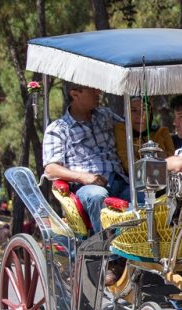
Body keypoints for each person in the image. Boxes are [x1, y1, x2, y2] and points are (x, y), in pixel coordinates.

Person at [42, 82, 130, 285]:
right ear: (75, 94)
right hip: (86, 188)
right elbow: (51, 169)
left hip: (119, 180)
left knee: (147, 198)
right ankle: (112, 262)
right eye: (93, 89)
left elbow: (130, 127)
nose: (99, 91)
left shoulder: (105, 116)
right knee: (98, 196)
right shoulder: (58, 129)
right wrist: (83, 177)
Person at [113, 96, 175, 170]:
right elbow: (126, 159)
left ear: (150, 114)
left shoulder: (162, 132)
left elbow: (172, 160)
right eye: (133, 110)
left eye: (144, 109)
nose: (140, 115)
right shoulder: (122, 130)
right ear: (126, 114)